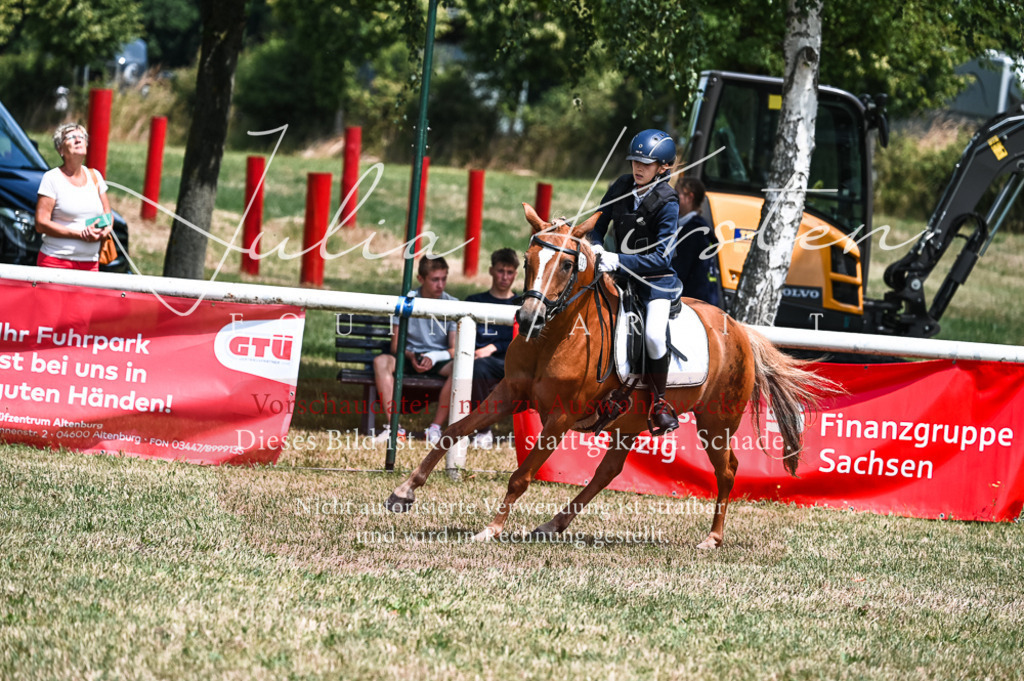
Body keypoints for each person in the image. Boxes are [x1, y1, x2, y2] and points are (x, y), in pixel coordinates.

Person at [589, 128, 682, 436]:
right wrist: (595, 245)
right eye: (634, 162)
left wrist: (618, 259)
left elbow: (661, 259)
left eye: (646, 164)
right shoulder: (621, 186)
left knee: (653, 336)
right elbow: (597, 223)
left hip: (655, 281)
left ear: (663, 167)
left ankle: (659, 404)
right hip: (617, 275)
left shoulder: (668, 201)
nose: (638, 168)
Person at [372, 257, 458, 445]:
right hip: (408, 355)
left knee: (460, 368)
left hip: (438, 359)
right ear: (421, 278)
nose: (440, 285)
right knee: (380, 362)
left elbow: (454, 349)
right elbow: (395, 346)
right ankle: (394, 428)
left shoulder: (453, 304)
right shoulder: (406, 301)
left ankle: (435, 428)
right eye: (435, 279)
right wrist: (412, 356)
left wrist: (433, 357)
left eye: (444, 279)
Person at [35, 123, 113, 270]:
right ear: (60, 149)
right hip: (55, 261)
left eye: (81, 137)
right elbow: (41, 223)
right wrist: (80, 234)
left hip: (90, 263)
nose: (78, 140)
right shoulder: (51, 178)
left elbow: (107, 214)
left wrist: (105, 230)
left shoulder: (95, 176)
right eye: (71, 137)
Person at [465, 248, 521, 449]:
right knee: (477, 368)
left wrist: (494, 347)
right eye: (500, 271)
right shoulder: (474, 302)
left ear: (516, 274)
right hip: (476, 360)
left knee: (481, 367)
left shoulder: (521, 304)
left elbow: (522, 338)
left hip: (511, 362)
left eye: (509, 272)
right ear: (491, 271)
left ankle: (486, 429)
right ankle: (480, 430)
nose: (505, 277)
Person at [672, 176, 724, 308]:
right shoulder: (700, 227)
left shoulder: (693, 231)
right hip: (706, 299)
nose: (673, 198)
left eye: (677, 193)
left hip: (695, 302)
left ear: (690, 197)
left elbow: (679, 270)